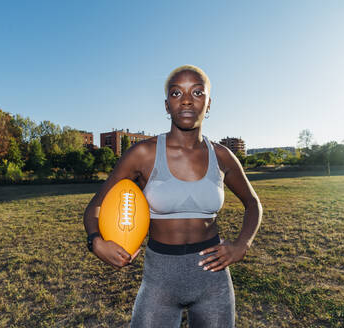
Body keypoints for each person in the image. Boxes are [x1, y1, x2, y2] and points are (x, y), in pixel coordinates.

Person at [83, 65, 262, 327]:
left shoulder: (222, 155)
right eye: (177, 93)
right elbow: (95, 207)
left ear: (208, 104)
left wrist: (241, 245)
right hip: (160, 280)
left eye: (197, 92)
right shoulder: (143, 154)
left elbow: (253, 204)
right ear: (167, 105)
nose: (187, 100)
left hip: (213, 280)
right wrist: (96, 242)